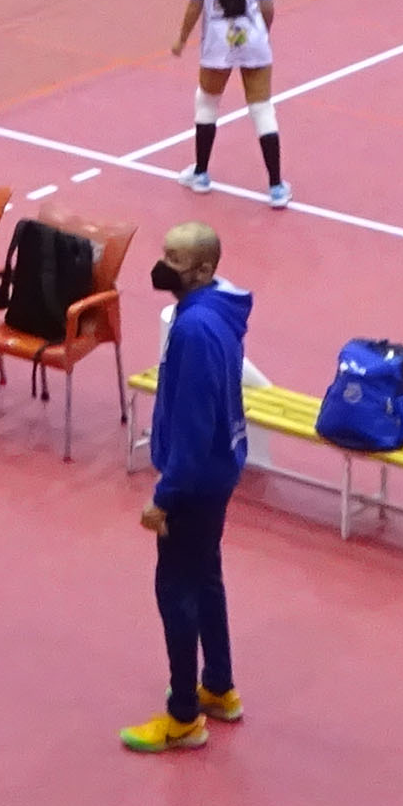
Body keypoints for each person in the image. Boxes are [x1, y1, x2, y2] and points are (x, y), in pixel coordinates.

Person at [124, 222, 252, 754]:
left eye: (175, 259)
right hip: (220, 467)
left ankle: (183, 717)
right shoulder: (215, 311)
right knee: (206, 578)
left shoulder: (194, 330)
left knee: (176, 591)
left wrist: (165, 496)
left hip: (195, 482)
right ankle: (218, 687)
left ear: (202, 269)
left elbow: (195, 424)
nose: (163, 266)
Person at [171, 0, 283, 205]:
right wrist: (264, 36)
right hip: (252, 36)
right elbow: (268, 6)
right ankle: (275, 186)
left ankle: (202, 173)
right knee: (261, 108)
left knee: (207, 102)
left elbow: (195, 4)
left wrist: (181, 38)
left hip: (218, 40)